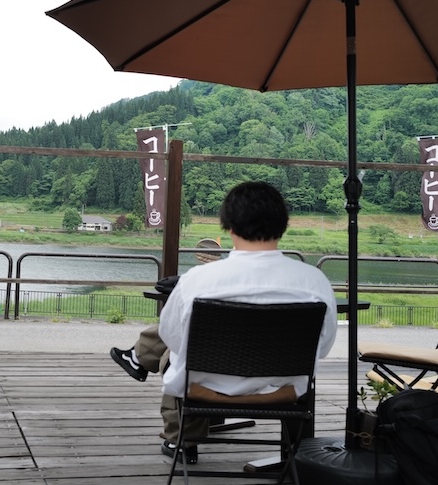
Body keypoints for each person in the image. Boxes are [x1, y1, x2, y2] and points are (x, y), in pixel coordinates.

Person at [110, 180, 337, 464]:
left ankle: (183, 441)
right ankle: (291, 456)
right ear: (284, 225)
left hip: (205, 389)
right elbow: (323, 347)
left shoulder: (199, 280)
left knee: (174, 354)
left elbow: (171, 336)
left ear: (229, 227)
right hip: (283, 392)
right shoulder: (315, 282)